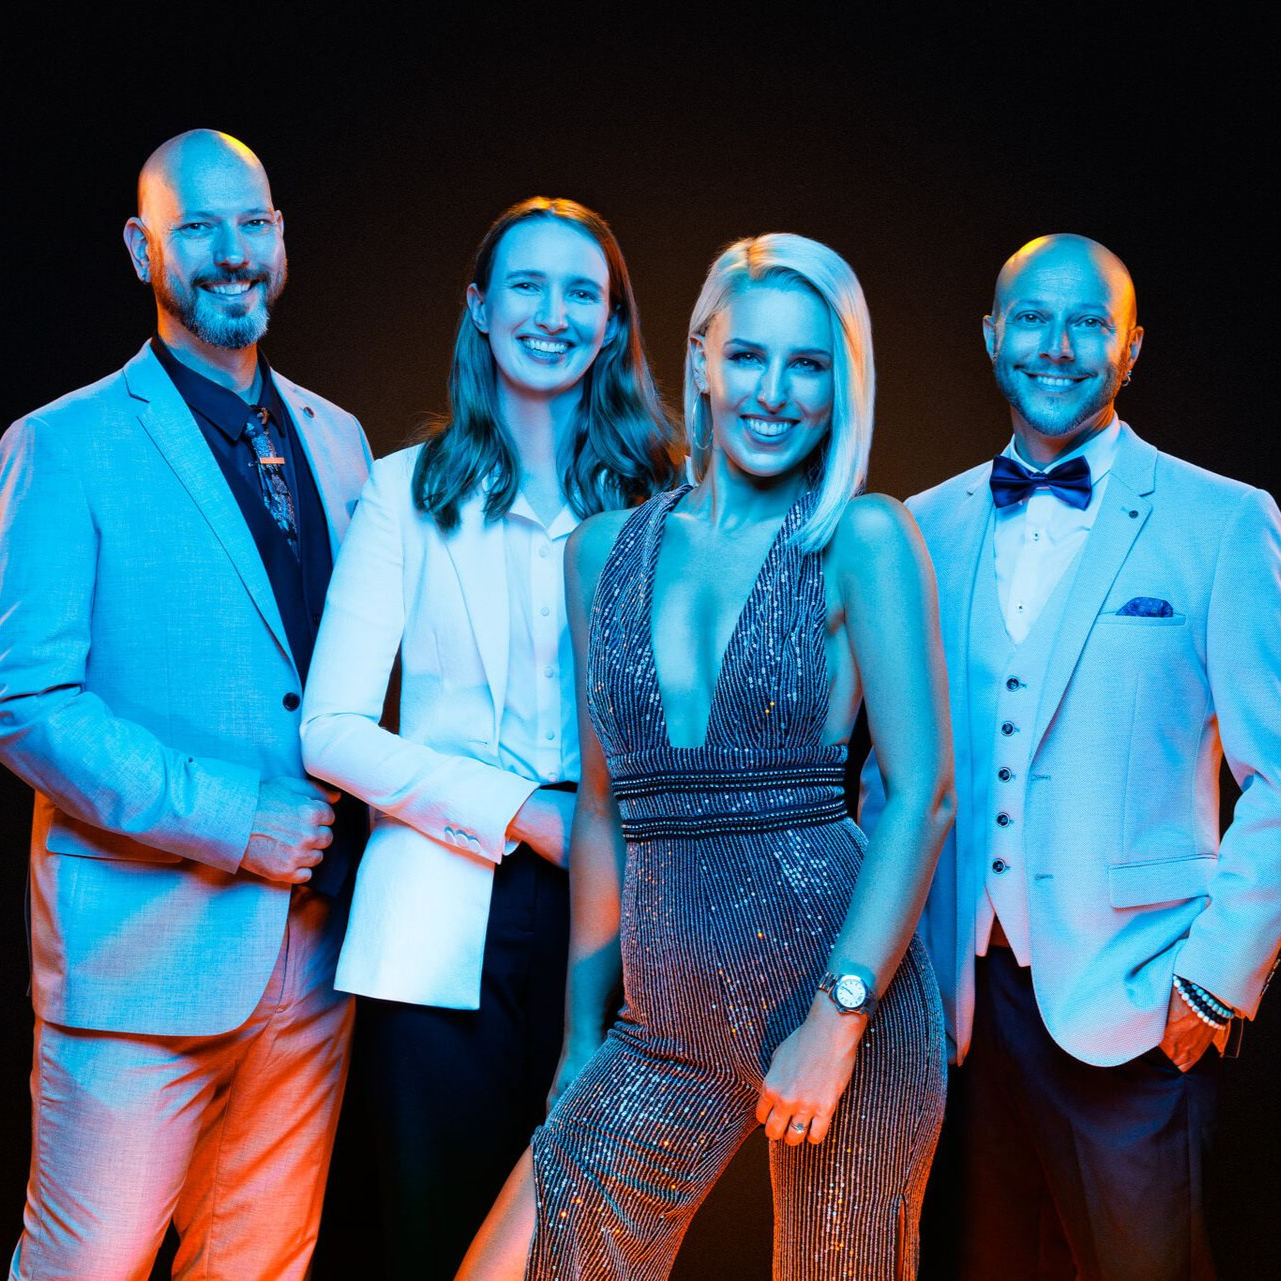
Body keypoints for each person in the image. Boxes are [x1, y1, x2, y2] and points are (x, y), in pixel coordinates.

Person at [458, 233, 954, 1281]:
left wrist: (838, 1020)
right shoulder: (600, 551)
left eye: (808, 364)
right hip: (665, 1021)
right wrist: (580, 1037)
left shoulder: (863, 536)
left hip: (841, 1000)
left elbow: (924, 798)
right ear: (700, 359)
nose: (773, 393)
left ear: (842, 383)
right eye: (748, 356)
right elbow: (604, 812)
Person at [860, 233, 1281, 1280]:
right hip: (955, 1014)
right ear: (991, 339)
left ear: (1130, 349)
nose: (1058, 345)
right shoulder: (920, 527)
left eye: (1090, 323)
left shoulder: (1222, 521)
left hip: (1135, 1001)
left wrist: (1215, 979)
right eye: (1033, 320)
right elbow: (890, 778)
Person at [0, 129, 371, 1280]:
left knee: (261, 1266)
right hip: (138, 959)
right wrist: (237, 818)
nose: (231, 252)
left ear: (280, 239)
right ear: (140, 247)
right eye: (197, 226)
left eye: (252, 223)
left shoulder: (340, 441)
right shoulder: (60, 445)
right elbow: (26, 702)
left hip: (316, 956)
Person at [300, 196, 681, 1278]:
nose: (552, 314)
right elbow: (329, 732)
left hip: (626, 917)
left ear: (613, 323)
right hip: (438, 919)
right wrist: (526, 814)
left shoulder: (670, 504)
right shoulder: (401, 492)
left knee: (599, 1246)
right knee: (437, 1242)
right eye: (526, 286)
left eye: (581, 293)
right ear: (478, 306)